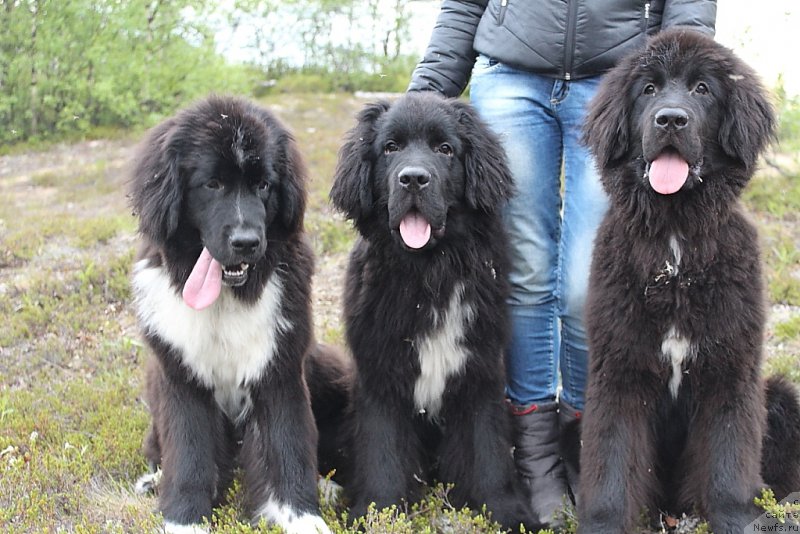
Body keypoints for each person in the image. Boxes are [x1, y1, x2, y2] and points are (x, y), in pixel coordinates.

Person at [408, 0, 717, 525]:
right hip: (509, 82)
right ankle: (534, 454)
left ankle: (586, 441)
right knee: (525, 273)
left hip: (619, 82)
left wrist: (674, 74)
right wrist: (425, 91)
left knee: (584, 283)